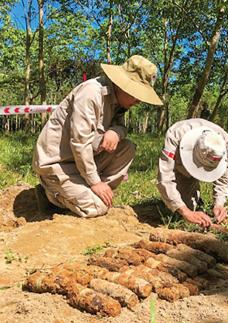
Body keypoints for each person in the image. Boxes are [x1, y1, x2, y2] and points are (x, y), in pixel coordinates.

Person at [32, 55, 162, 217]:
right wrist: (94, 181)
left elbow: (122, 127)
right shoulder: (91, 93)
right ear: (123, 86)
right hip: (57, 165)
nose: (138, 102)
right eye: (137, 95)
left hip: (82, 163)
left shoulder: (118, 102)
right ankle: (50, 195)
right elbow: (79, 143)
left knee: (127, 148)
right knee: (97, 208)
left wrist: (115, 132)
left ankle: (94, 192)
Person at [157, 118, 228, 229]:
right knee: (183, 210)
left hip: (219, 156)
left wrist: (219, 204)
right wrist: (185, 211)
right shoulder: (175, 135)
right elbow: (165, 179)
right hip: (182, 169)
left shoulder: (224, 141)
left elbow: (224, 177)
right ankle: (195, 201)